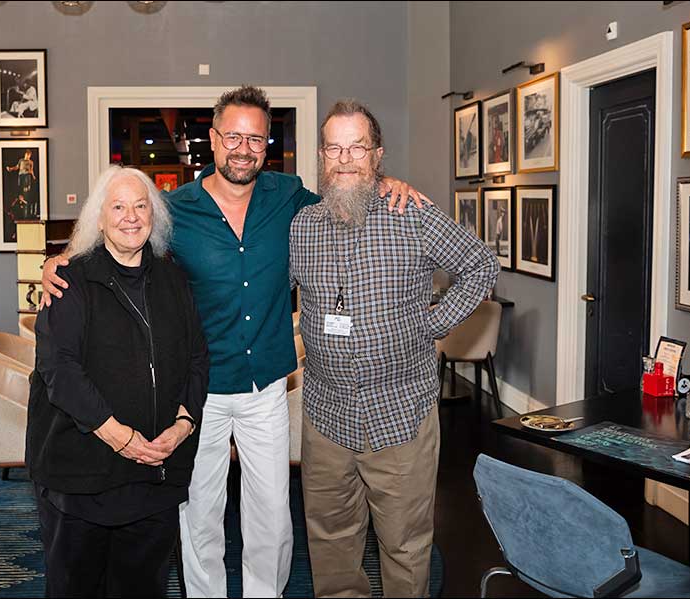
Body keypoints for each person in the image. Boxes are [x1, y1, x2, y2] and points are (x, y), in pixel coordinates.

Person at [41, 85, 428, 598]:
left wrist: (383, 180)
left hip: (266, 384)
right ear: (214, 138)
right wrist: (59, 259)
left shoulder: (290, 197)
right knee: (199, 509)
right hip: (196, 392)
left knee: (270, 511)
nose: (243, 148)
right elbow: (118, 237)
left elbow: (347, 194)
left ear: (267, 146)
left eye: (256, 139)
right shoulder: (174, 211)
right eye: (233, 136)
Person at [290, 99, 499, 598]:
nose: (344, 159)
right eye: (333, 148)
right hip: (326, 417)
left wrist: (431, 325)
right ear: (321, 157)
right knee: (331, 544)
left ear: (377, 155)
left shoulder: (414, 214)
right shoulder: (302, 227)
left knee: (405, 547)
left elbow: (481, 265)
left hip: (400, 412)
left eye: (356, 147)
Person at [27, 165, 210, 597]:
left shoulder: (173, 279)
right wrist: (121, 437)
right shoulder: (69, 280)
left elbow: (198, 358)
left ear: (155, 215)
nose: (131, 216)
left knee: (142, 587)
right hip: (83, 475)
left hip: (154, 475)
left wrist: (184, 424)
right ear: (100, 219)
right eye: (119, 207)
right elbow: (60, 371)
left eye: (141, 206)